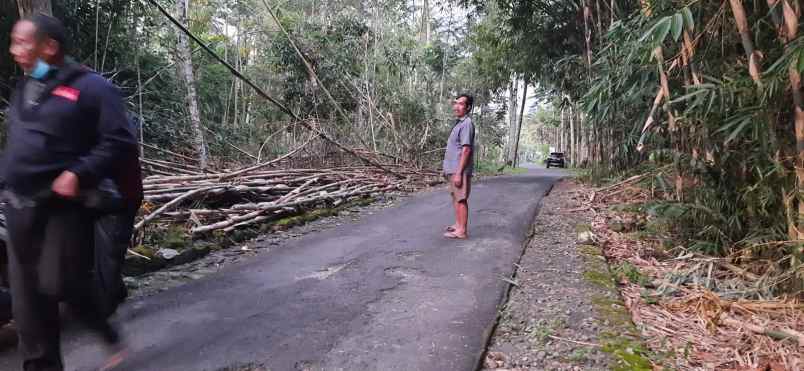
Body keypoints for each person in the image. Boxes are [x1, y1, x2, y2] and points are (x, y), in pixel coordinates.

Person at [4, 14, 138, 371]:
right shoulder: (25, 89)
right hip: (19, 208)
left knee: (60, 283)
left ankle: (105, 329)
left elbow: (121, 141)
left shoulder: (92, 88)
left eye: (22, 42)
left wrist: (79, 172)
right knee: (27, 304)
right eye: (13, 42)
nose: (14, 50)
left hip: (63, 207)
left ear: (49, 46)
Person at [443, 94, 475, 239]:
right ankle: (458, 224)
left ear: (468, 107)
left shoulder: (467, 123)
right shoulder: (459, 123)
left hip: (459, 169)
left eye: (461, 104)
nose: (457, 106)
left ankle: (462, 231)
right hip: (453, 168)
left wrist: (459, 172)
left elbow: (466, 149)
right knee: (455, 197)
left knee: (461, 198)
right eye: (456, 103)